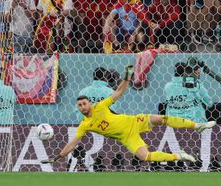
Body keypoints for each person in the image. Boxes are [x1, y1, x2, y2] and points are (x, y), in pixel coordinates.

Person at [41, 65, 216, 164]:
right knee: (145, 157)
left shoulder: (100, 106)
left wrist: (127, 76)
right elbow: (72, 143)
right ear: (79, 108)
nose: (82, 106)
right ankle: (180, 155)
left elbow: (118, 92)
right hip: (126, 137)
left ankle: (197, 125)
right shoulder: (85, 125)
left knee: (160, 118)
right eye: (79, 105)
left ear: (89, 103)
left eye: (84, 103)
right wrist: (57, 157)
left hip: (134, 121)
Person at [164, 61, 213, 172]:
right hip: (194, 122)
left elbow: (169, 102)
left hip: (174, 121)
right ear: (187, 72)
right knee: (206, 130)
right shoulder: (196, 85)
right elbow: (209, 104)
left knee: (168, 127)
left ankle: (178, 161)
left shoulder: (167, 87)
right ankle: (204, 165)